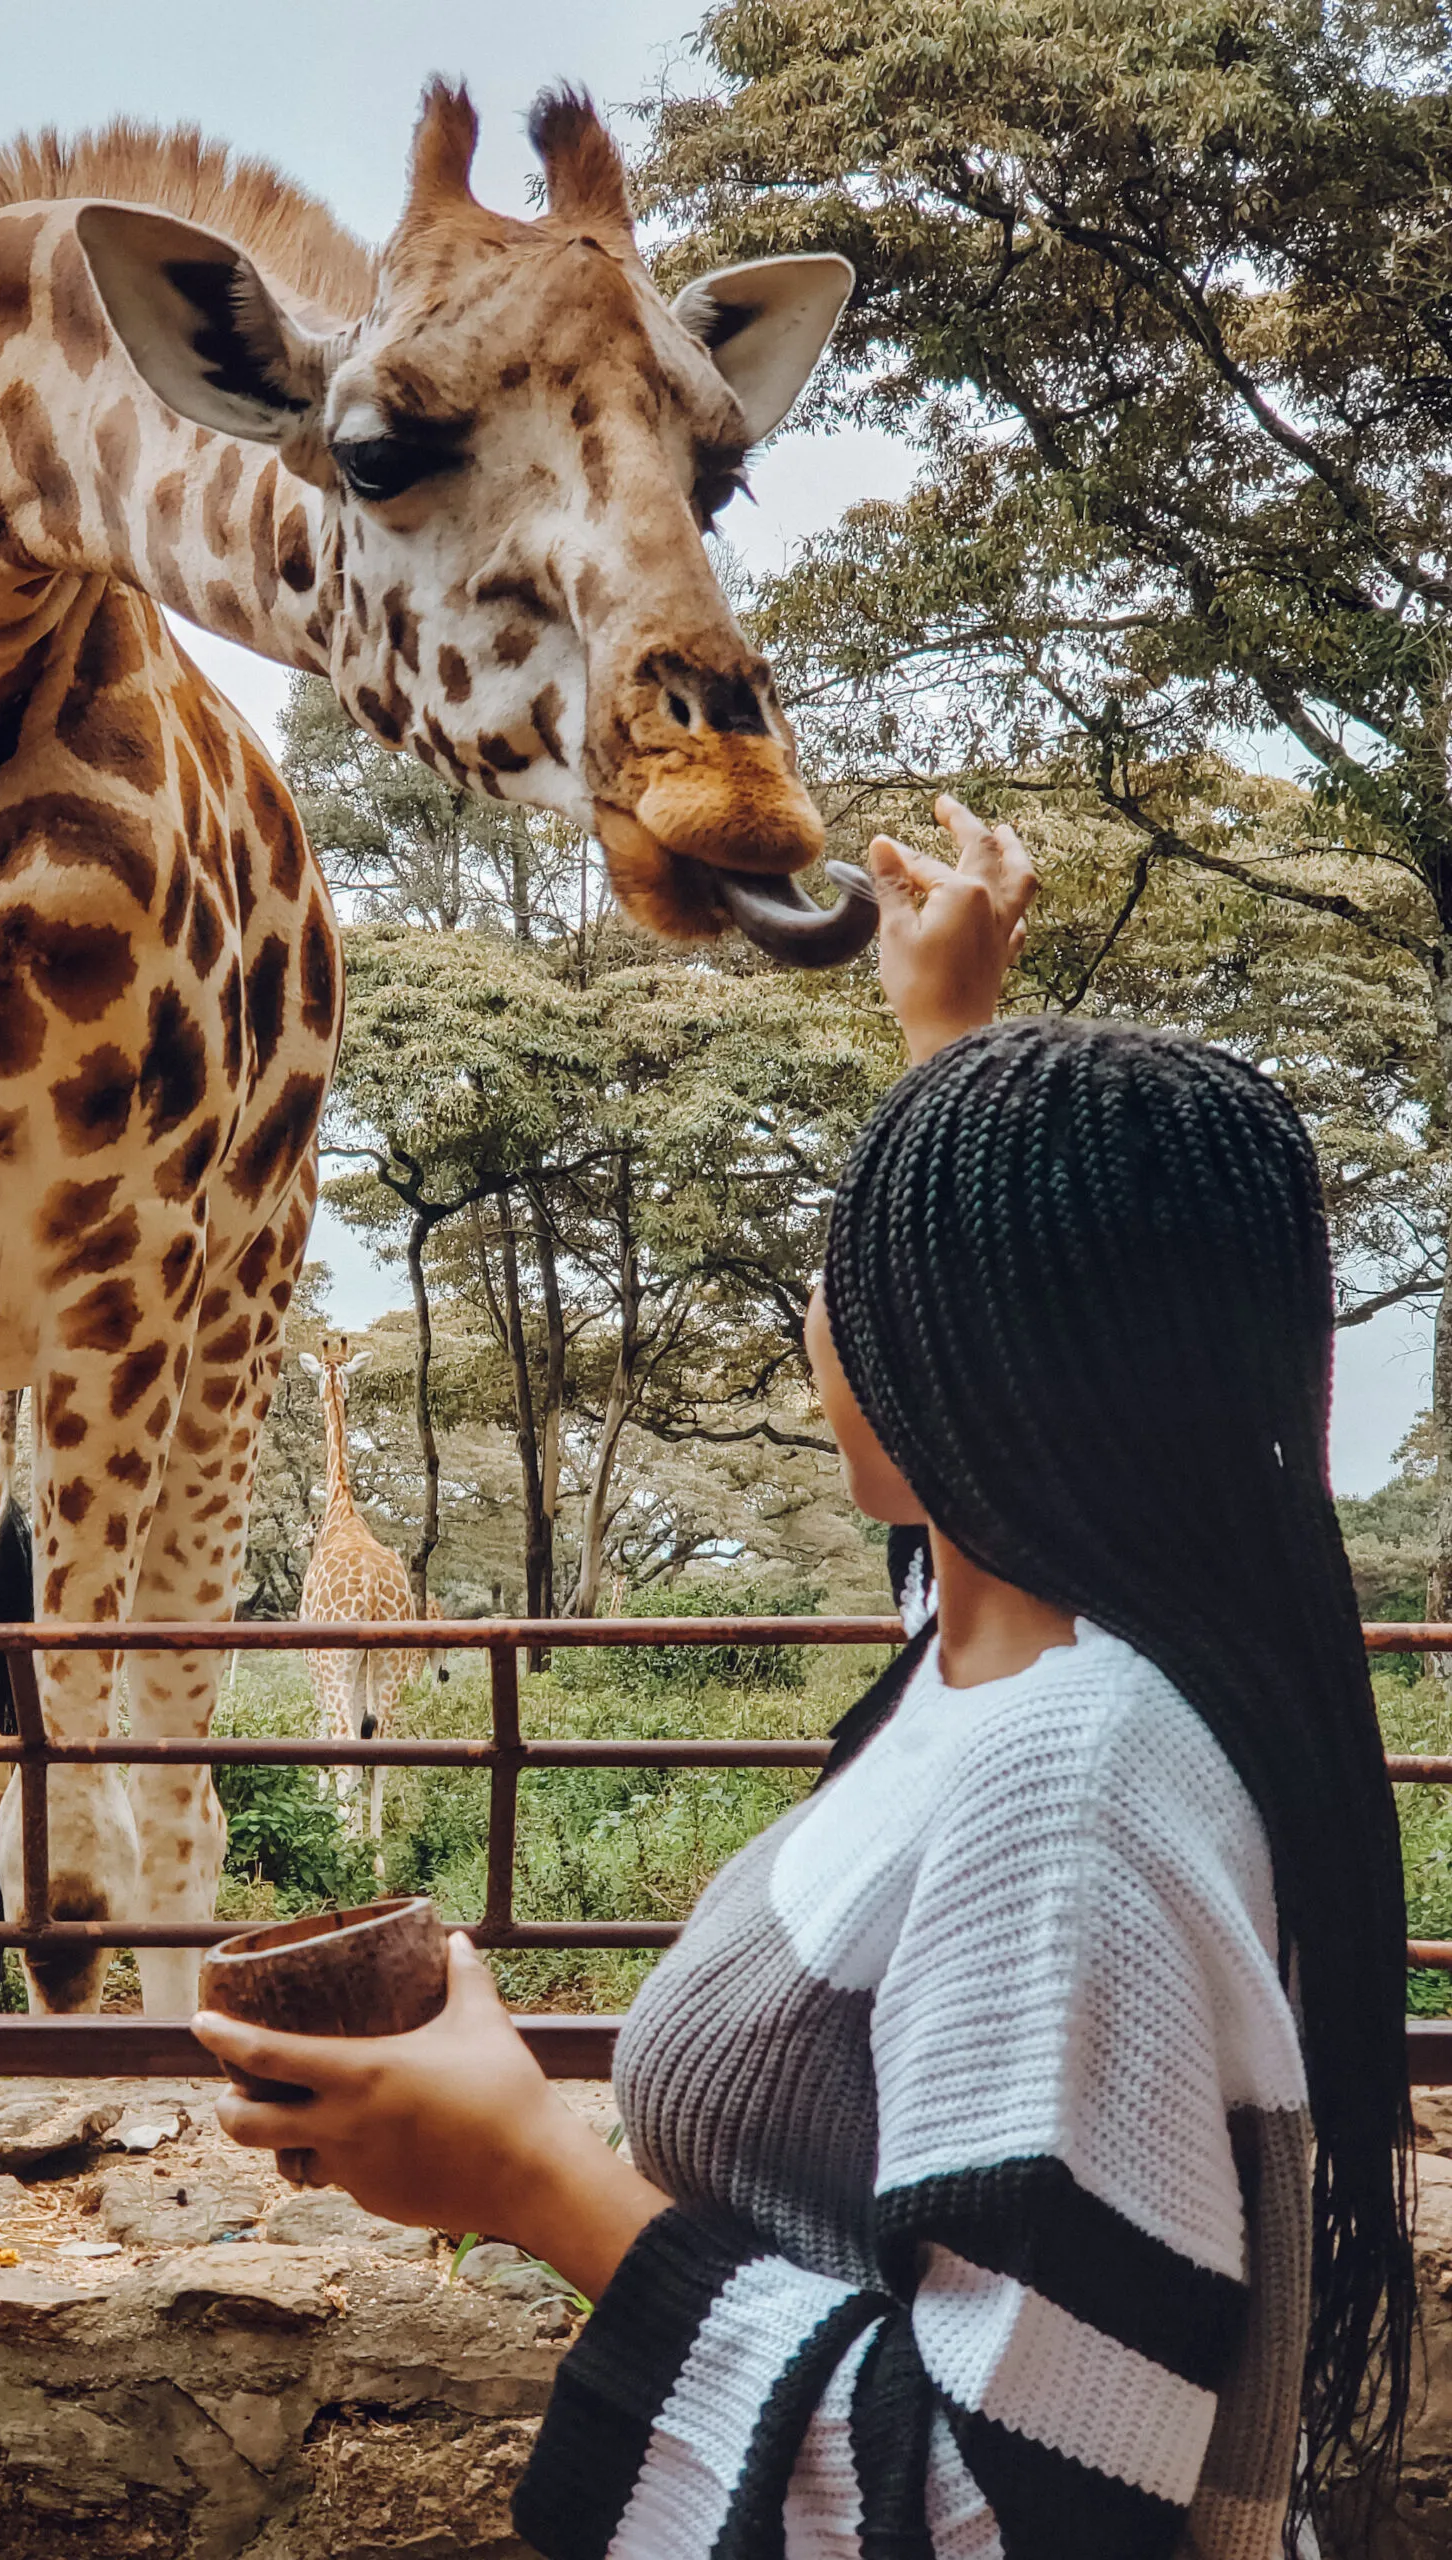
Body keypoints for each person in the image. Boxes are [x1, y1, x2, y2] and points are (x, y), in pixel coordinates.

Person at [194, 801, 1415, 2558]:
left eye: (855, 1263)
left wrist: (532, 2179)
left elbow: (1021, 2508)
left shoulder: (1069, 1793)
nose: (820, 1313)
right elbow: (991, 1465)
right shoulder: (1035, 1647)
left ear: (944, 1344)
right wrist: (950, 1034)